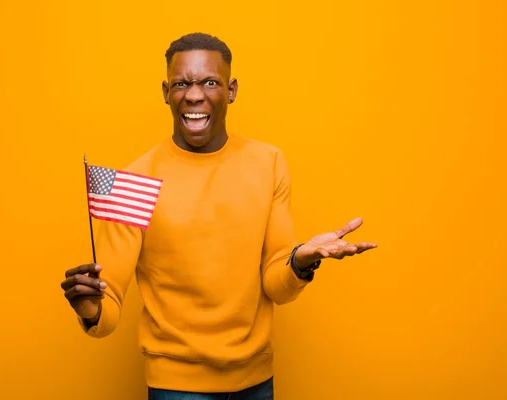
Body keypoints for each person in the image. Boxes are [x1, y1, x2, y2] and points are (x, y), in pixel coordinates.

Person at [60, 32, 377, 400]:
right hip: (175, 387)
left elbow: (276, 285)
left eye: (210, 82)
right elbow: (109, 300)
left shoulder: (268, 163)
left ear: (231, 90)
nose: (194, 95)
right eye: (182, 83)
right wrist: (91, 308)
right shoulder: (136, 183)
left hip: (256, 382)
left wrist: (299, 261)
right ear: (166, 92)